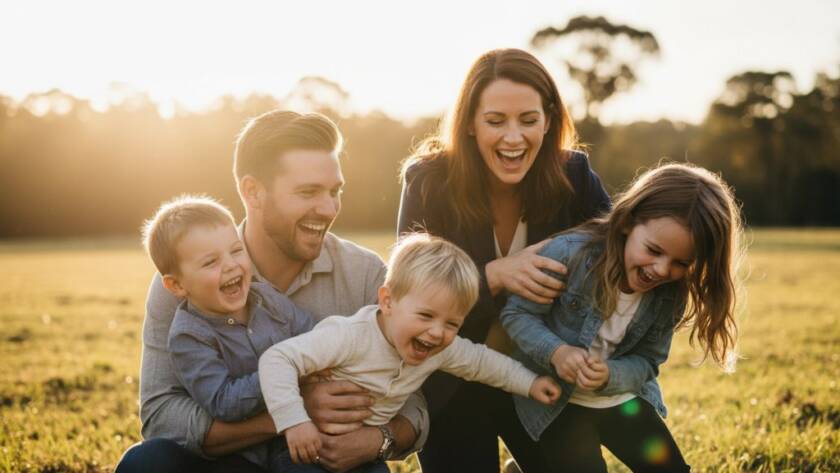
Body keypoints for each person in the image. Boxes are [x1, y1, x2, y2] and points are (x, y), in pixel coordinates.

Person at [117, 111, 427, 473]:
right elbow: (161, 415)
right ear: (253, 192)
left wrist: (378, 440)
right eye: (308, 192)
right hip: (227, 462)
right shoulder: (183, 282)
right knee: (146, 463)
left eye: (334, 191)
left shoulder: (365, 275)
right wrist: (288, 411)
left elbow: (414, 404)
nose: (328, 209)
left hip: (318, 462)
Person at [398, 48, 610, 472]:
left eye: (528, 120)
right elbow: (409, 298)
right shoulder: (428, 181)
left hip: (544, 379)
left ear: (548, 120)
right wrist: (493, 275)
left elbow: (618, 260)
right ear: (471, 124)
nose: (513, 138)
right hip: (452, 380)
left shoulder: (575, 176)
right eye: (496, 121)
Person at [500, 162, 744, 472]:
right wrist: (557, 352)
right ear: (628, 221)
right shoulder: (568, 254)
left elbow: (647, 361)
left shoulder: (671, 293)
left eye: (681, 262)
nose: (661, 270)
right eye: (653, 250)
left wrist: (610, 375)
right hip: (558, 403)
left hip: (622, 400)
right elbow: (517, 313)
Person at [258, 234, 561, 472]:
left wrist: (530, 384)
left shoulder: (440, 349)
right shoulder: (350, 336)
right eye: (426, 316)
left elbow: (484, 363)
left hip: (362, 455)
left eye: (452, 323)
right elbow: (278, 359)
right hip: (306, 451)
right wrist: (295, 422)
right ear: (387, 302)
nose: (437, 332)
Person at [140, 195, 315, 469]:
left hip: (303, 436)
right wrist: (284, 370)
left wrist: (327, 352)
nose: (231, 265)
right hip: (244, 456)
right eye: (210, 262)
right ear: (176, 286)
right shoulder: (189, 337)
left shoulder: (267, 298)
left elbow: (309, 333)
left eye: (236, 250)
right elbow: (224, 402)